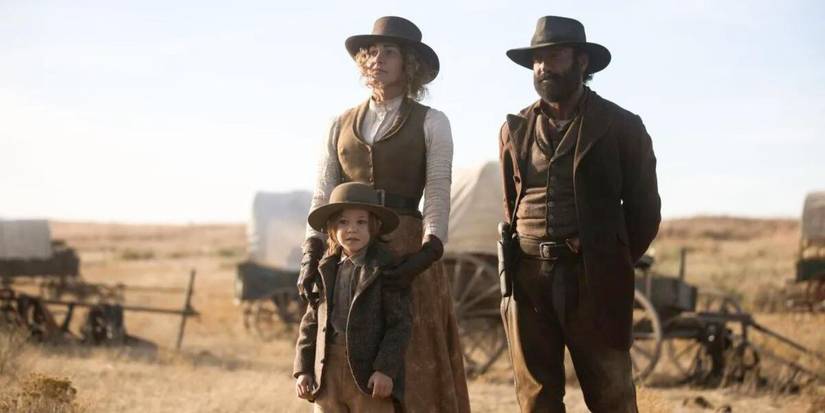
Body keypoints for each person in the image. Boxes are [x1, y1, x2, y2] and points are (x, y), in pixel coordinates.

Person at [297, 16, 470, 413]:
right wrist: (311, 252)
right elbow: (323, 193)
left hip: (407, 248)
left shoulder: (433, 121)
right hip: (349, 246)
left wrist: (428, 252)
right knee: (341, 344)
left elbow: (438, 190)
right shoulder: (339, 123)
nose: (377, 60)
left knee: (413, 355)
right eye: (371, 52)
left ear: (410, 63)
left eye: (389, 52)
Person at [498, 16, 662, 413]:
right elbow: (510, 201)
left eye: (554, 56)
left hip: (593, 280)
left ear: (582, 62)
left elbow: (645, 212)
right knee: (536, 400)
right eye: (537, 60)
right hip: (528, 280)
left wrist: (607, 258)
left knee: (611, 396)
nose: (543, 67)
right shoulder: (514, 129)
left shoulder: (622, 127)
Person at [293, 182, 410, 412]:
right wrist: (303, 369)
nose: (352, 229)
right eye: (343, 222)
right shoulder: (325, 268)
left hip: (369, 377)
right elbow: (311, 322)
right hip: (327, 372)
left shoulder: (386, 268)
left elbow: (400, 324)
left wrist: (385, 370)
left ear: (374, 226)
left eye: (361, 222)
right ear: (331, 228)